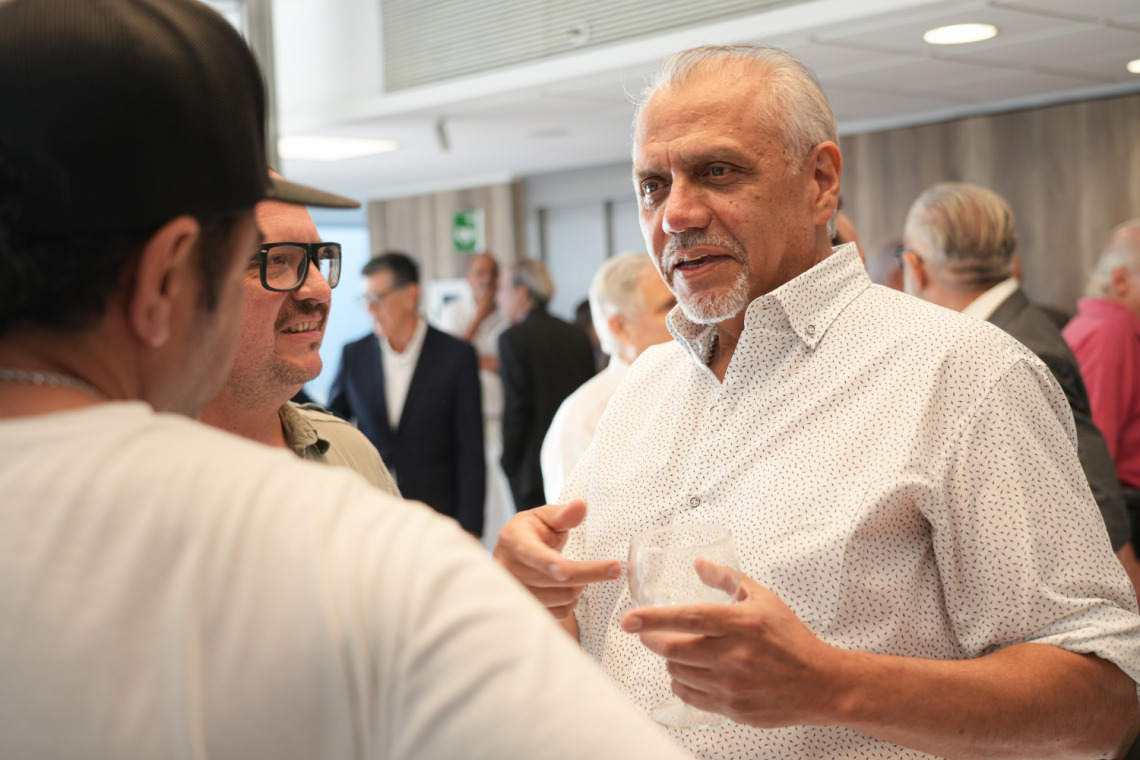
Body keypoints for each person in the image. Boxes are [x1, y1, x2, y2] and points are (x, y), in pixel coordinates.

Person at [0, 3, 698, 760]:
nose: (314, 293)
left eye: (318, 262)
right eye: (257, 260)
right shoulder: (339, 548)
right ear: (165, 276)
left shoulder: (342, 484)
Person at [494, 45, 1140, 759]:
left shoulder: (962, 373)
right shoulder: (643, 388)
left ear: (821, 181)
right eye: (653, 185)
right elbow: (592, 643)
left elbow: (1105, 697)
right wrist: (534, 594)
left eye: (718, 171)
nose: (676, 213)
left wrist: (833, 686)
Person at [899, 181, 1140, 595]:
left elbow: (1089, 481)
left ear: (915, 267)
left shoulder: (1018, 345)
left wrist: (1125, 594)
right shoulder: (997, 332)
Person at [199, 186, 398, 494]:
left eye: (319, 260)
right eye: (278, 260)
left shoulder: (352, 454)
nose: (321, 289)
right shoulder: (143, 480)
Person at [328, 252, 485, 535]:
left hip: (437, 514)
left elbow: (471, 448)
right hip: (371, 511)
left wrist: (470, 527)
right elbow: (331, 426)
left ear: (410, 296)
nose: (369, 308)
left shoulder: (456, 356)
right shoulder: (354, 355)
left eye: (377, 298)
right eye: (365, 299)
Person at [540, 252, 675, 502]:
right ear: (620, 328)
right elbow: (573, 523)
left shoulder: (703, 386)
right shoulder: (583, 420)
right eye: (669, 305)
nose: (686, 314)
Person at [497, 260, 596, 511]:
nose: (499, 299)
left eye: (502, 290)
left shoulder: (513, 339)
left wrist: (507, 462)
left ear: (522, 292)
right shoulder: (576, 334)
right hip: (578, 455)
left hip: (532, 468)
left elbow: (517, 409)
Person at [435, 252, 515, 548]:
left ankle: (503, 544)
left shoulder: (508, 312)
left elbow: (508, 365)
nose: (487, 279)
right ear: (468, 278)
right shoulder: (453, 312)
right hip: (464, 417)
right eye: (480, 272)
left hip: (498, 414)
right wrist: (478, 318)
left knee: (500, 485)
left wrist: (469, 358)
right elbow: (447, 360)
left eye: (492, 273)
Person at [1065, 220, 1140, 496]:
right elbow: (1095, 452)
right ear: (1120, 280)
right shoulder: (1111, 334)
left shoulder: (1104, 327)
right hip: (1122, 504)